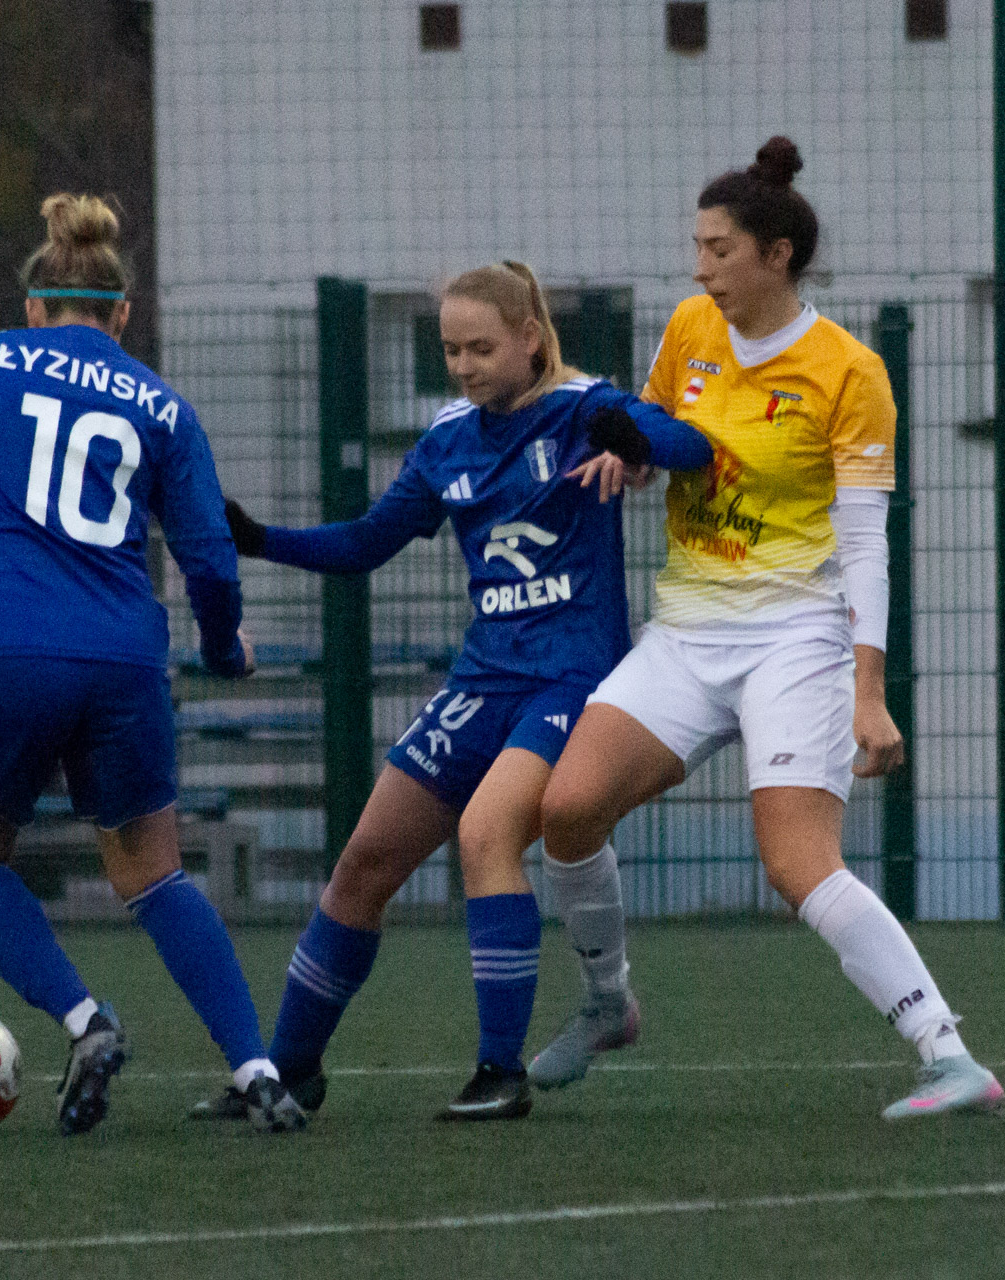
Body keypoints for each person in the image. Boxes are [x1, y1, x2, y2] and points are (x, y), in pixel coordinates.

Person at [533, 138, 1005, 1120]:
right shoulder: (690, 329)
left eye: (719, 250)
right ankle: (610, 1001)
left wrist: (869, 691)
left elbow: (866, 544)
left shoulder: (849, 372)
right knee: (566, 810)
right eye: (697, 249)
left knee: (796, 863)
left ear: (777, 255)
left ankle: (950, 1055)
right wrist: (632, 459)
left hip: (798, 640)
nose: (700, 268)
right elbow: (663, 434)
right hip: (688, 633)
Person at [194, 262, 710, 1123]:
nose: (463, 365)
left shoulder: (584, 408)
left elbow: (691, 446)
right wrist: (260, 540)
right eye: (449, 350)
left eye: (481, 348)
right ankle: (289, 1071)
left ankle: (499, 1072)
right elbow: (366, 542)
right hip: (483, 681)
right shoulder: (446, 441)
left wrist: (636, 441)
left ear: (530, 339)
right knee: (362, 866)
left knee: (485, 834)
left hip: (570, 678)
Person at [0, 193, 305, 1136]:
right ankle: (258, 1071)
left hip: (7, 648)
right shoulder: (164, 406)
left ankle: (87, 1020)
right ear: (122, 314)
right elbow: (211, 561)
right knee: (154, 874)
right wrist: (223, 651)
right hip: (125, 661)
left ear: (34, 307)